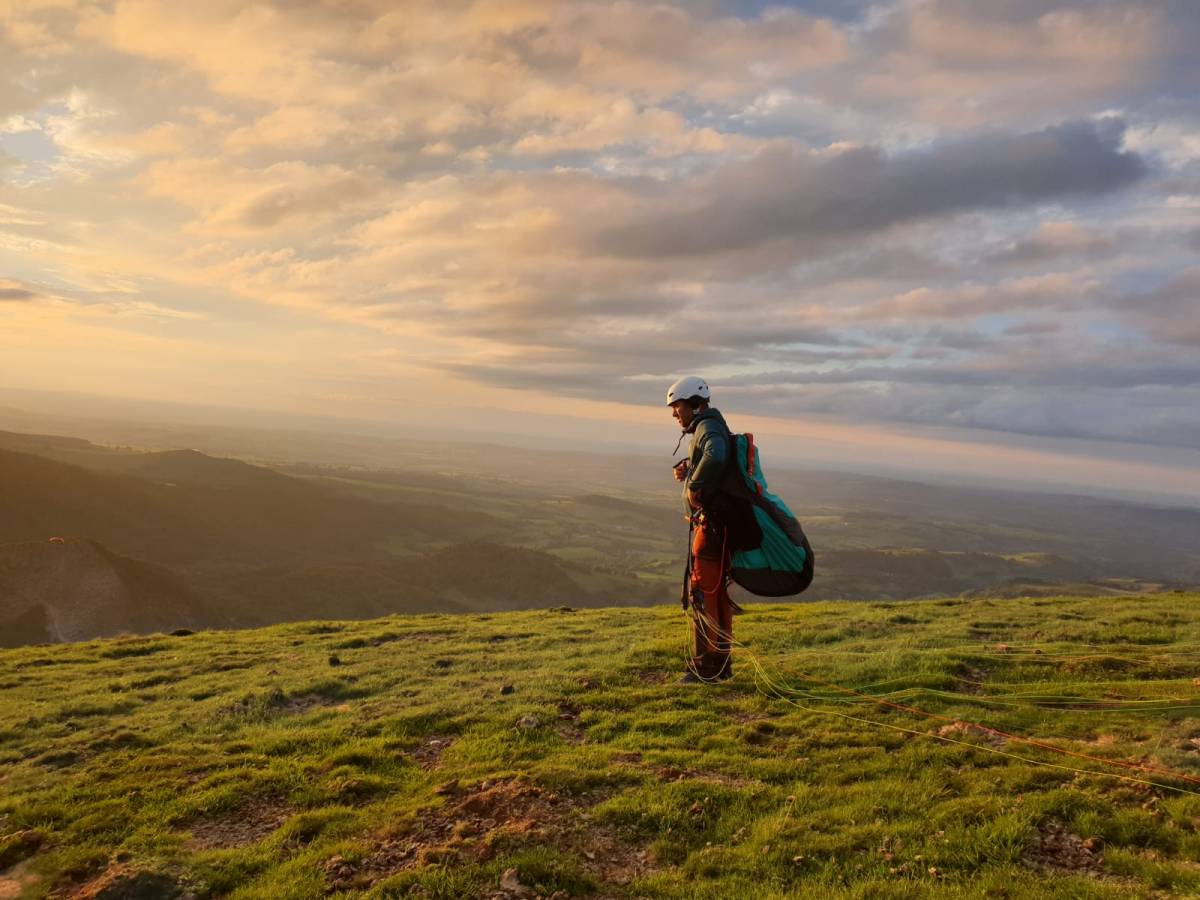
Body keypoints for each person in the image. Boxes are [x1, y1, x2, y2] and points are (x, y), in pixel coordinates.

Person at [667, 376, 735, 684]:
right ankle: (721, 664)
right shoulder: (709, 427)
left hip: (711, 528)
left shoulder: (709, 428)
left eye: (677, 406)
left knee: (704, 594)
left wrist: (694, 485)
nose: (674, 413)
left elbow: (717, 454)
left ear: (694, 404)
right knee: (715, 595)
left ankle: (708, 667)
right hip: (717, 527)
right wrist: (690, 470)